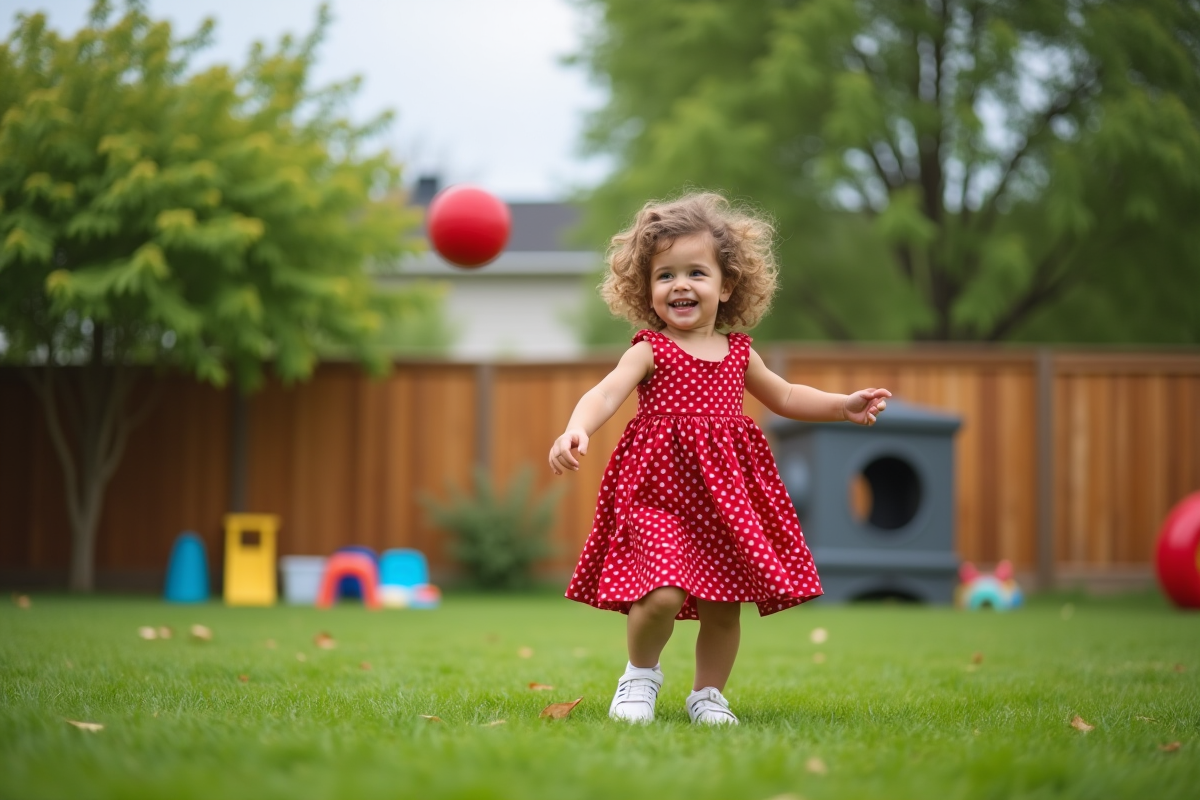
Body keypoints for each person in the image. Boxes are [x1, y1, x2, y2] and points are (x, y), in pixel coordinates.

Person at [548, 192, 891, 726]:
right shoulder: (649, 349)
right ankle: (639, 676)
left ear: (726, 285)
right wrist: (575, 428)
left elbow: (788, 396)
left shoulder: (738, 354)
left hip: (724, 500)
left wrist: (842, 407)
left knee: (722, 604)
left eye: (696, 273)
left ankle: (707, 695)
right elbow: (605, 395)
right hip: (658, 496)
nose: (680, 285)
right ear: (648, 289)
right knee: (660, 593)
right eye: (665, 276)